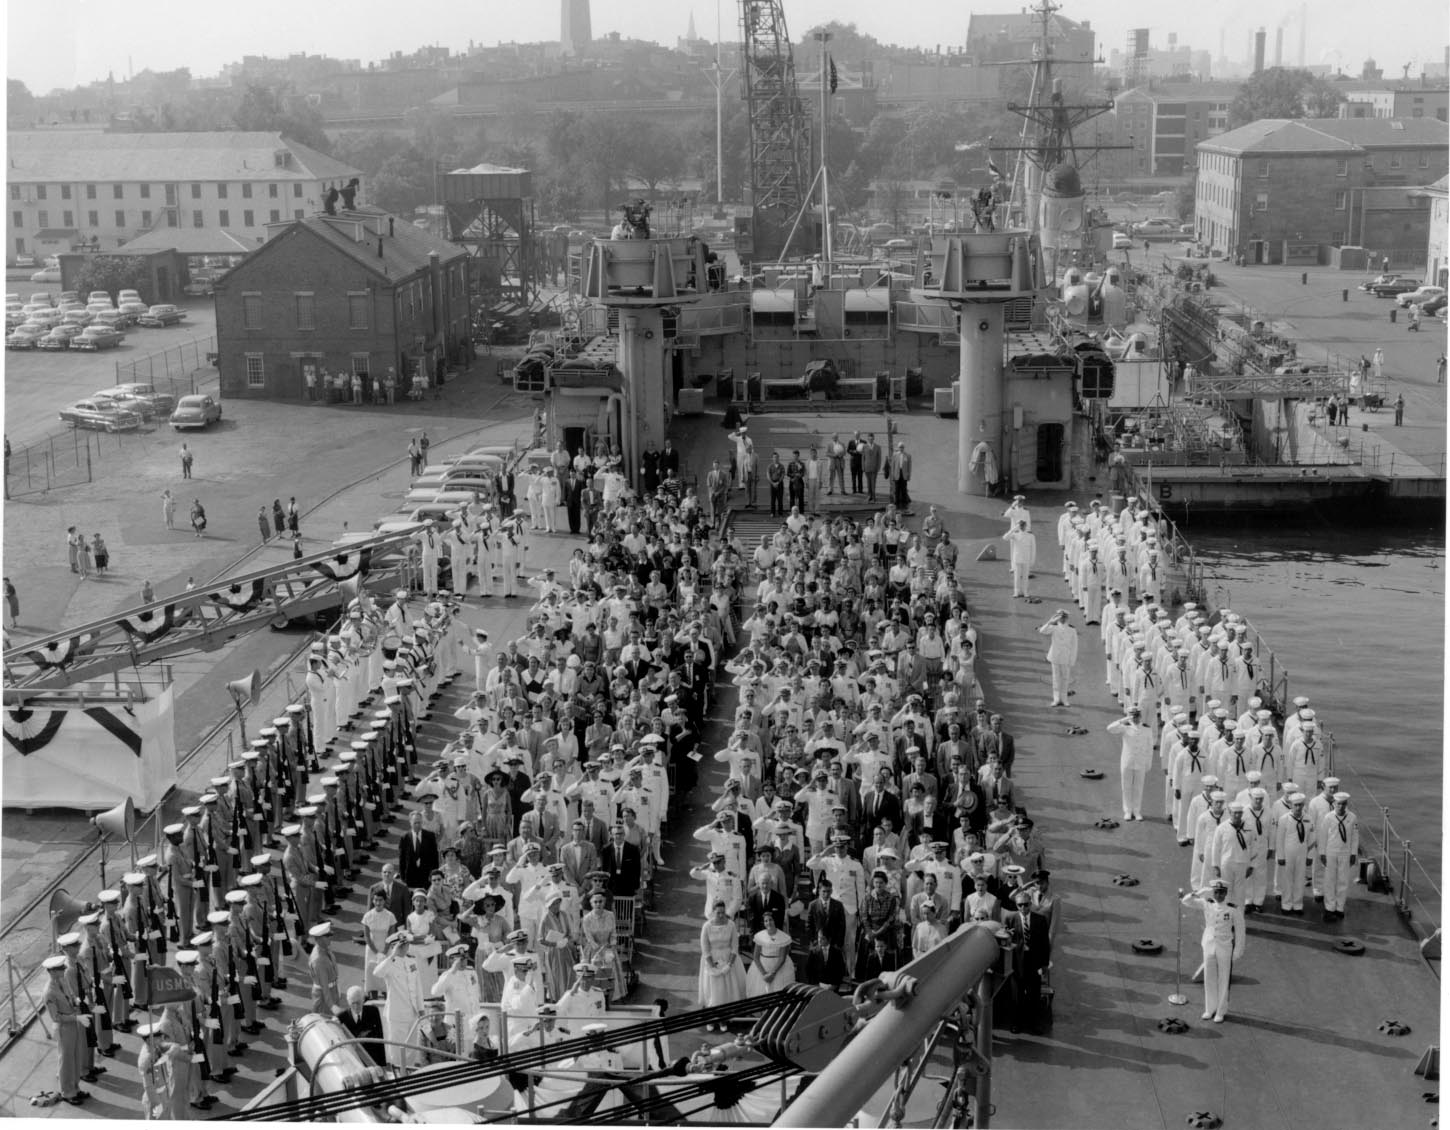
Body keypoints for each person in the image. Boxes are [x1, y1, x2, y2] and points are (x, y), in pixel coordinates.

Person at [1180, 880, 1244, 1023]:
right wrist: (1198, 892)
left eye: (1221, 892)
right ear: (1213, 892)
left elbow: (1240, 931)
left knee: (1223, 978)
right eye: (1216, 892)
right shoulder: (1207, 903)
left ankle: (1221, 1010)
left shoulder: (1233, 909)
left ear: (1226, 893)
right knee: (1209, 977)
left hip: (1225, 946)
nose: (1219, 895)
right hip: (1209, 945)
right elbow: (1185, 901)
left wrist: (1238, 950)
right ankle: (1210, 1009)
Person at [42, 954, 90, 1105]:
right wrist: (75, 1018)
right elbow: (55, 1017)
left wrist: (76, 1000)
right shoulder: (49, 992)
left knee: (75, 1057)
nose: (64, 969)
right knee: (66, 1060)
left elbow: (70, 995)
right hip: (64, 1028)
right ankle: (67, 1092)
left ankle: (75, 1087)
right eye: (60, 968)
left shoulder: (62, 980)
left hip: (73, 1023)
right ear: (51, 972)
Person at [697, 900, 745, 1027]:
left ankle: (723, 1019)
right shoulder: (706, 926)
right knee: (713, 992)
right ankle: (711, 1020)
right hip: (711, 961)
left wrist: (729, 965)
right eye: (718, 913)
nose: (721, 915)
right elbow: (705, 948)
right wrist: (712, 966)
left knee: (726, 991)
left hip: (729, 959)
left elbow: (735, 946)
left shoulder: (731, 925)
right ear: (713, 912)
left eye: (723, 912)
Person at [1106, 706, 1153, 821]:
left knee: (1138, 787)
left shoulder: (1147, 729)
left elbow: (1149, 748)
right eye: (1133, 716)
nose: (1135, 718)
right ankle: (1127, 810)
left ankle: (1137, 811)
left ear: (1140, 716)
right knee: (1126, 787)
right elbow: (1110, 728)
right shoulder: (1125, 727)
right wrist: (1124, 719)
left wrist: (1148, 763)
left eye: (1137, 716)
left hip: (1141, 762)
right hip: (1127, 761)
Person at [744, 911, 794, 996]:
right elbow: (756, 957)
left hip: (778, 967)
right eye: (766, 921)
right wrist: (764, 975)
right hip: (762, 966)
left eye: (770, 920)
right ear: (764, 923)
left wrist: (772, 974)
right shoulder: (759, 936)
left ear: (775, 921)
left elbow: (782, 958)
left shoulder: (783, 937)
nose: (768, 923)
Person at [336, 985, 386, 1066]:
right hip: (353, 1061)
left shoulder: (373, 1011)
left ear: (363, 1000)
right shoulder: (341, 1017)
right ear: (348, 1002)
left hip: (372, 1060)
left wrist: (382, 1064)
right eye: (353, 1003)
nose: (356, 1007)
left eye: (358, 1003)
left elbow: (380, 1038)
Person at [1038, 610, 1078, 707]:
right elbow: (1042, 631)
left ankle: (1064, 699)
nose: (1063, 619)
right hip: (1055, 656)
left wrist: (1072, 660)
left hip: (1066, 657)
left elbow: (1074, 646)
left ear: (1067, 618)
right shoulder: (1054, 628)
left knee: (1065, 678)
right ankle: (1056, 699)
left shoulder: (1072, 630)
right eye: (1061, 617)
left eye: (1064, 617)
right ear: (1058, 618)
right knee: (1056, 678)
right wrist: (1050, 621)